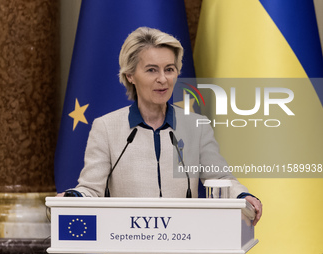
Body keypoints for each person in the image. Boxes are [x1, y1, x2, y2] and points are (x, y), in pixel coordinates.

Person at [57, 27, 262, 226]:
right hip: (127, 243)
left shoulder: (196, 126)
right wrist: (73, 196)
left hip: (184, 242)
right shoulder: (106, 127)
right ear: (130, 75)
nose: (163, 79)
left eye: (169, 69)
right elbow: (91, 189)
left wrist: (243, 195)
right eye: (151, 70)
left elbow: (220, 178)